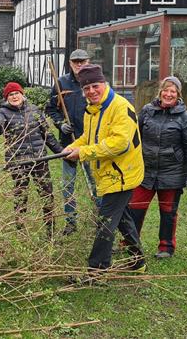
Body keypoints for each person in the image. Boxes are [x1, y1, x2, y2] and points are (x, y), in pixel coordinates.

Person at [63, 64, 147, 274]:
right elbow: (89, 137)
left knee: (105, 221)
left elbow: (120, 143)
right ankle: (138, 261)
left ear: (104, 83)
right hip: (107, 173)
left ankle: (97, 270)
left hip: (122, 174)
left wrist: (83, 153)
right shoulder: (92, 110)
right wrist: (73, 147)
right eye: (86, 88)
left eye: (95, 86)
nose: (91, 91)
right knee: (122, 218)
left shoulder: (120, 107)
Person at [128, 76, 187, 259]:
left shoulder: (186, 117)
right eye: (165, 90)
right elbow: (135, 137)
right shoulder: (147, 111)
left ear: (178, 94)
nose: (168, 94)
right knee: (135, 208)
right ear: (160, 92)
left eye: (172, 91)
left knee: (168, 212)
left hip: (172, 173)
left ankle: (166, 247)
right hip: (146, 171)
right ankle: (129, 242)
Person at [0, 82, 63, 236]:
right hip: (19, 162)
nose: (14, 97)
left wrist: (62, 152)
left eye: (16, 93)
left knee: (47, 194)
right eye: (11, 95)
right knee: (21, 196)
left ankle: (50, 230)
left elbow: (47, 135)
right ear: (6, 98)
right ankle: (21, 230)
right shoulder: (2, 112)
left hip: (39, 160)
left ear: (22, 94)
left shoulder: (34, 110)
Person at [46, 49, 99, 236]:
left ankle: (100, 219)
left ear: (88, 61)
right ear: (70, 63)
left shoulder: (93, 83)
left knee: (95, 183)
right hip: (68, 143)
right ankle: (70, 222)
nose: (79, 64)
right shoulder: (61, 83)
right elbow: (51, 109)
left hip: (90, 143)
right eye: (75, 61)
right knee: (68, 185)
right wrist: (60, 124)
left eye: (82, 61)